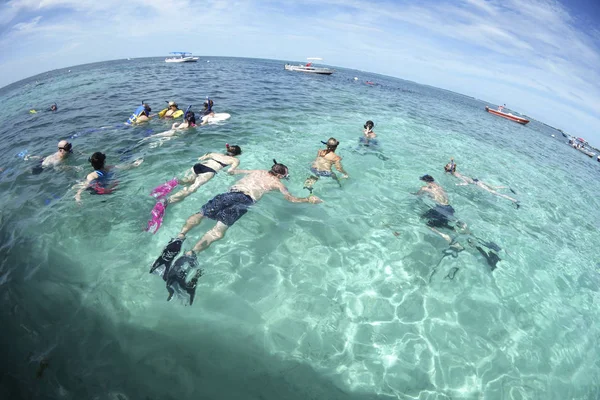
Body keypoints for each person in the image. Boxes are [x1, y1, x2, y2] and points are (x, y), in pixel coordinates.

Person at [149, 160, 322, 302]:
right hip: (244, 201)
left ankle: (179, 237)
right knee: (217, 232)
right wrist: (308, 199)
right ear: (280, 175)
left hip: (230, 194)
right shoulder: (276, 183)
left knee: (201, 214)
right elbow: (290, 199)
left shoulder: (258, 171)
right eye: (285, 175)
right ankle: (191, 253)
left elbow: (236, 171)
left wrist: (232, 170)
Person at [146, 144, 243, 234]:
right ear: (237, 154)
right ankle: (167, 200)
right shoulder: (235, 160)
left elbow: (202, 158)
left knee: (187, 180)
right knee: (192, 189)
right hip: (210, 170)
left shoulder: (215, 154)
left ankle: (175, 182)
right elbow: (230, 170)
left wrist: (204, 157)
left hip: (198, 166)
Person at [417, 174, 502, 271]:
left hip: (440, 209)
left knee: (425, 221)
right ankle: (481, 243)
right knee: (455, 226)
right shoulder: (439, 187)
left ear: (425, 181)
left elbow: (418, 195)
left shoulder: (425, 188)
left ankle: (446, 237)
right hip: (449, 208)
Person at [74, 152, 143, 204]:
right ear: (104, 162)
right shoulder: (109, 168)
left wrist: (78, 195)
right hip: (108, 186)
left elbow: (84, 186)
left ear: (92, 164)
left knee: (81, 184)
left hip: (100, 192)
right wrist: (135, 164)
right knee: (115, 182)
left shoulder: (91, 175)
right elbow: (124, 167)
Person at [443, 159, 519, 206]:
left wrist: (459, 184)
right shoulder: (454, 172)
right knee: (494, 187)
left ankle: (514, 200)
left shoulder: (455, 174)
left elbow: (466, 182)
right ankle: (508, 187)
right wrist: (452, 161)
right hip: (476, 180)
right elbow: (452, 165)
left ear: (450, 169)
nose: (446, 166)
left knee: (494, 192)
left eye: (447, 165)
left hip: (477, 183)